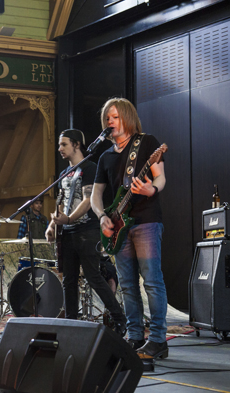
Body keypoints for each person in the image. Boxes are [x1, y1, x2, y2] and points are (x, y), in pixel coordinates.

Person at [90, 97, 168, 359]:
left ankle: (158, 340)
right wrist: (102, 216)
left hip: (146, 221)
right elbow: (95, 195)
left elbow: (160, 177)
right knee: (127, 285)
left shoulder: (146, 143)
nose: (110, 121)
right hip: (118, 226)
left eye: (115, 116)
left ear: (127, 117)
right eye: (107, 118)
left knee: (152, 281)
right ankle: (135, 337)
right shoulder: (105, 157)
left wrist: (151, 189)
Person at [45, 129, 126, 336]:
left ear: (77, 144)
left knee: (93, 276)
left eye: (64, 144)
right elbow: (61, 202)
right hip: (68, 232)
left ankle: (119, 318)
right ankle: (71, 324)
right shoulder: (64, 173)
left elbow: (89, 199)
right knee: (69, 280)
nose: (60, 148)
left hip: (87, 230)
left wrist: (69, 219)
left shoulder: (90, 168)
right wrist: (52, 226)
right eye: (59, 144)